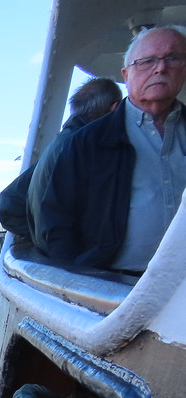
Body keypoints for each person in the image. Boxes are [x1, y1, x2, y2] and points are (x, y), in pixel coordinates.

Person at [31, 25, 186, 272]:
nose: (161, 68)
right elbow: (57, 220)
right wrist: (78, 282)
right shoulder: (86, 142)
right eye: (146, 61)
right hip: (112, 286)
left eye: (173, 58)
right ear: (126, 74)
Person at [0, 77, 122, 240]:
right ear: (115, 108)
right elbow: (9, 202)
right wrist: (50, 238)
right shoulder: (81, 147)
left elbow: (10, 201)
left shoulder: (62, 143)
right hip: (71, 258)